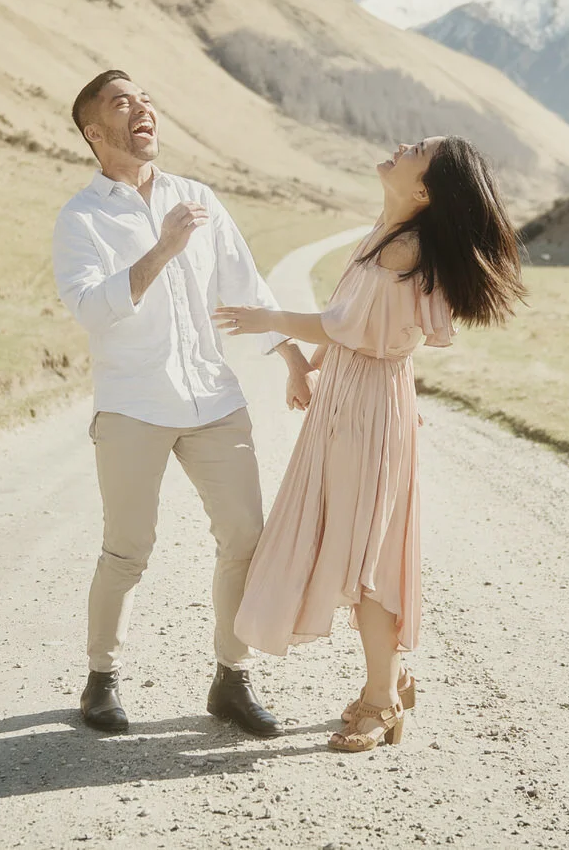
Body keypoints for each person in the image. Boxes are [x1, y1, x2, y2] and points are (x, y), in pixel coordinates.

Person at [217, 135, 525, 752]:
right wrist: (312, 363)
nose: (403, 145)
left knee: (366, 555)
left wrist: (270, 320)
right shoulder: (386, 235)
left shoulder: (405, 248)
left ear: (424, 190)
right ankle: (392, 678)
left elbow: (345, 324)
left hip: (365, 407)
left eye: (420, 151)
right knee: (359, 545)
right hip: (355, 398)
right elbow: (348, 315)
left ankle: (382, 701)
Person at [52, 69, 316, 737]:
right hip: (132, 405)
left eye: (146, 98)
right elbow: (90, 308)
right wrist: (164, 248)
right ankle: (101, 680)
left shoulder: (197, 197)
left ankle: (232, 678)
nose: (143, 108)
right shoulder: (81, 218)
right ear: (94, 132)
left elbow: (242, 282)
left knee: (246, 538)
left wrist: (288, 354)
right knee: (128, 548)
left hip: (212, 400)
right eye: (122, 103)